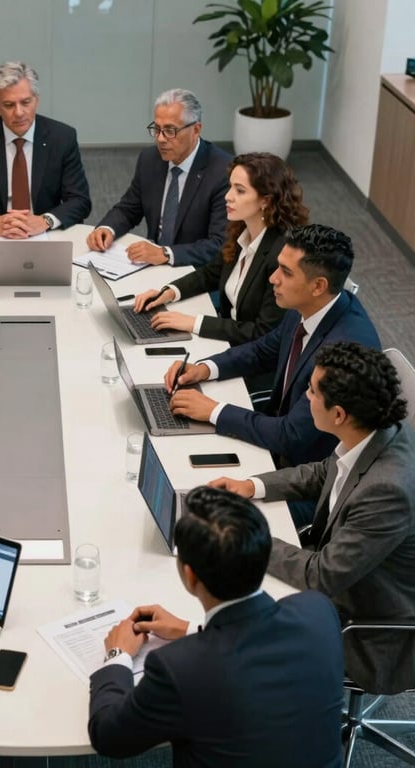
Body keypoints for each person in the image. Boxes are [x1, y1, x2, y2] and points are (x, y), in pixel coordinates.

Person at [87, 487, 344, 768]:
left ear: (189, 576)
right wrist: (189, 630)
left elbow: (109, 737)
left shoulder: (177, 668)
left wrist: (118, 655)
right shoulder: (318, 611)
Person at [211, 342, 415, 694]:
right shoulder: (377, 433)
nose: (305, 397)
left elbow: (319, 575)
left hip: (368, 628)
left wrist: (245, 536)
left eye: (312, 391)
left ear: (338, 414)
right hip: (347, 574)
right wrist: (251, 485)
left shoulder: (387, 490)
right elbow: (326, 472)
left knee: (233, 624)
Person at [163, 224, 380, 482]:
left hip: (307, 476)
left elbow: (291, 437)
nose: (273, 278)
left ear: (318, 286)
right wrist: (205, 368)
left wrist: (213, 411)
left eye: (286, 273)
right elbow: (264, 350)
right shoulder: (307, 305)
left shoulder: (343, 351)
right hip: (279, 434)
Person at [133, 152, 309, 347]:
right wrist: (168, 292)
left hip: (253, 358)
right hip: (229, 340)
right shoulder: (242, 229)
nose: (228, 197)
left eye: (240, 191)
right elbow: (211, 273)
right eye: (230, 187)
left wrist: (194, 322)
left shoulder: (281, 255)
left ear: (265, 201)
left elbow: (262, 332)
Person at [0, 61, 91, 237]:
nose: (19, 112)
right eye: (9, 105)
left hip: (43, 232)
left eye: (26, 102)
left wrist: (45, 220)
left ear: (37, 100)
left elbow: (79, 201)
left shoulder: (62, 137)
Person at [86, 88, 230, 267]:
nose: (161, 139)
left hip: (195, 271)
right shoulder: (150, 159)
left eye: (170, 130)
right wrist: (106, 228)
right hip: (151, 265)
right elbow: (129, 208)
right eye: (157, 129)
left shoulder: (222, 172)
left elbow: (219, 244)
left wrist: (166, 254)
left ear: (196, 130)